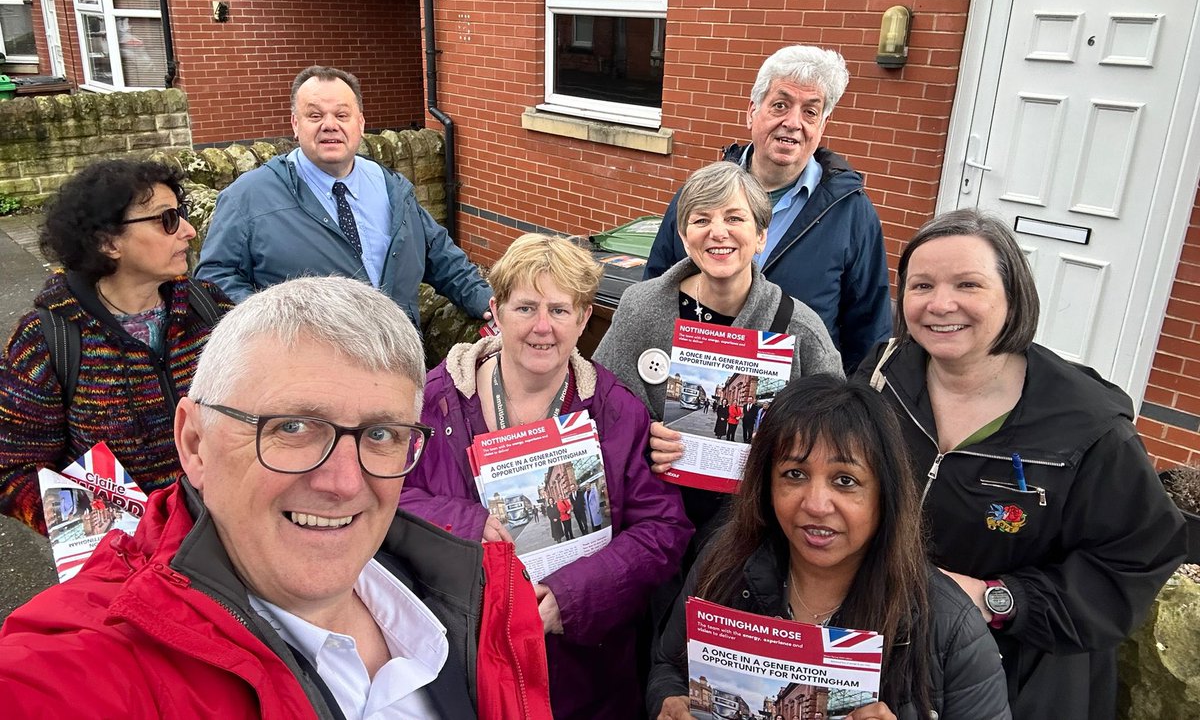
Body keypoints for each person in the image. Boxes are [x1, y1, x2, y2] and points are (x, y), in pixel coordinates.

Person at [0, 276, 552, 718]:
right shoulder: (82, 667)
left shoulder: (488, 597)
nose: (342, 482)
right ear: (194, 443)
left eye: (382, 434)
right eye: (292, 427)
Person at [856, 209, 1186, 720]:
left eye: (968, 284)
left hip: (1018, 675)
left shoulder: (1086, 427)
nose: (941, 304)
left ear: (1013, 296)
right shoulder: (883, 373)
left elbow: (1134, 560)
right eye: (921, 285)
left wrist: (997, 600)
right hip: (884, 650)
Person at [400, 233, 692, 719]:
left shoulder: (616, 411)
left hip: (584, 676)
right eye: (525, 308)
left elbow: (663, 531)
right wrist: (466, 524)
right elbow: (384, 496)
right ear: (495, 311)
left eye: (559, 310)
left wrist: (571, 599)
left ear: (582, 319)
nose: (542, 327)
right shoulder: (433, 401)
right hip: (461, 662)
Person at [647, 375, 1012, 720]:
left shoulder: (951, 628)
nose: (817, 504)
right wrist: (668, 703)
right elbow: (669, 665)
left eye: (845, 480)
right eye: (795, 474)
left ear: (885, 494)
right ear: (766, 484)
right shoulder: (723, 563)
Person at [595, 161, 842, 542]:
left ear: (761, 235)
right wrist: (643, 437)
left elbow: (837, 432)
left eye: (734, 218)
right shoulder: (641, 307)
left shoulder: (801, 330)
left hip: (752, 531)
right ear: (683, 234)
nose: (718, 232)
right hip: (653, 520)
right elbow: (601, 402)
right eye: (701, 220)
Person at [0, 159, 232, 534]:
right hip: (129, 565)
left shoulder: (208, 309)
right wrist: (96, 525)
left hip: (230, 542)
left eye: (182, 214)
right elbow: (12, 471)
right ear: (108, 242)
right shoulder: (48, 341)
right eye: (166, 219)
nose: (188, 231)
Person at [644, 46, 890, 374]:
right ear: (752, 112)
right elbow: (655, 292)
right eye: (780, 105)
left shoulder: (851, 214)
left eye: (810, 112)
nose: (793, 123)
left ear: (823, 125)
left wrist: (845, 419)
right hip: (691, 391)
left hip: (799, 413)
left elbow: (870, 333)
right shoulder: (699, 196)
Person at [196, 65, 491, 329]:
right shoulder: (247, 197)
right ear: (296, 125)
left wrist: (488, 303)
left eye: (341, 115)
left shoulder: (392, 187)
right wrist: (269, 327)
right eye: (314, 115)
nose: (329, 125)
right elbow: (215, 278)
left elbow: (439, 255)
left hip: (397, 363)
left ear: (360, 124)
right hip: (310, 373)